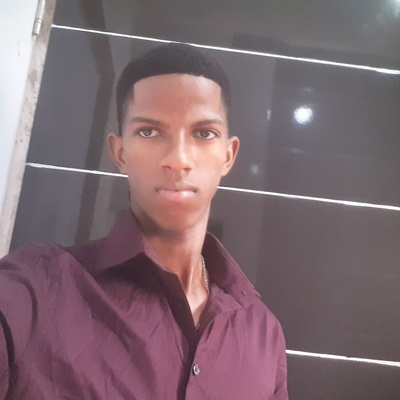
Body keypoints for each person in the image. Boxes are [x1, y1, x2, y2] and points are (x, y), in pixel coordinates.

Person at [0, 43, 288, 399]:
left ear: (228, 156)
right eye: (150, 132)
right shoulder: (34, 287)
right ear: (120, 152)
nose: (178, 159)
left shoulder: (263, 334)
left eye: (203, 133)